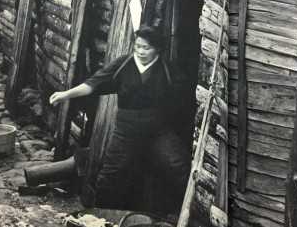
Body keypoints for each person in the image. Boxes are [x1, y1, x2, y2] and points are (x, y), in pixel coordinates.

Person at [50, 25, 191, 212]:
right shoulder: (123, 65)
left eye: (146, 48)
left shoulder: (168, 70)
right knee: (111, 173)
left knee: (179, 165)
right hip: (126, 129)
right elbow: (94, 84)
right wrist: (66, 94)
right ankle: (100, 216)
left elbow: (183, 102)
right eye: (138, 46)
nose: (140, 51)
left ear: (157, 49)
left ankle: (185, 215)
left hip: (158, 131)